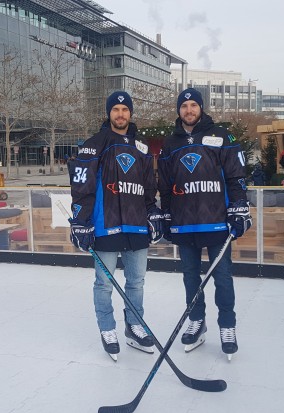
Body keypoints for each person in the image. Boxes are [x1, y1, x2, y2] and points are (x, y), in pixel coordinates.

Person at [157, 88, 251, 359]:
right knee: (190, 277)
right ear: (179, 110)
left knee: (222, 277)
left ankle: (227, 325)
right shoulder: (170, 143)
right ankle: (196, 320)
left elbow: (236, 176)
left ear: (201, 107)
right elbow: (164, 184)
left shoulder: (221, 136)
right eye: (184, 105)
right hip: (184, 223)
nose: (189, 110)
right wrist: (165, 214)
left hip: (216, 222)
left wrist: (239, 207)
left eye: (193, 105)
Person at [70, 90, 164, 361]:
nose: (120, 114)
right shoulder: (94, 143)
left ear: (130, 113)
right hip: (104, 225)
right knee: (104, 284)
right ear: (109, 113)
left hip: (136, 226)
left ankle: (134, 327)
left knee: (136, 282)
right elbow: (81, 188)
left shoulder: (143, 147)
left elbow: (149, 189)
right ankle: (107, 329)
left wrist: (153, 212)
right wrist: (80, 221)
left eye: (125, 110)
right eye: (115, 110)